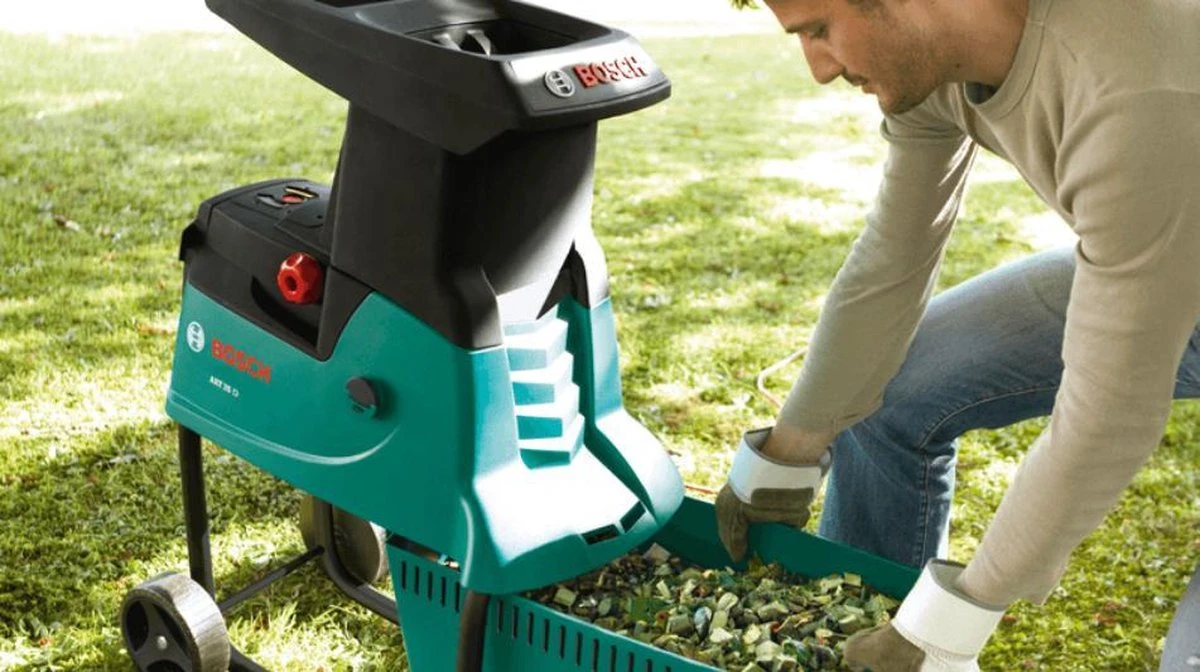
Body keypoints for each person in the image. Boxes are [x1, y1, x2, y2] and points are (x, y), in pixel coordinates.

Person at [712, 0, 1200, 669]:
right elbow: (891, 261)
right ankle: (859, 628)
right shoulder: (933, 63)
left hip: (1164, 246)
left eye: (820, 30)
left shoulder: (1139, 93)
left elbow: (1110, 411)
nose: (819, 69)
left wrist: (951, 624)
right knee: (891, 390)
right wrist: (785, 458)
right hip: (1165, 254)